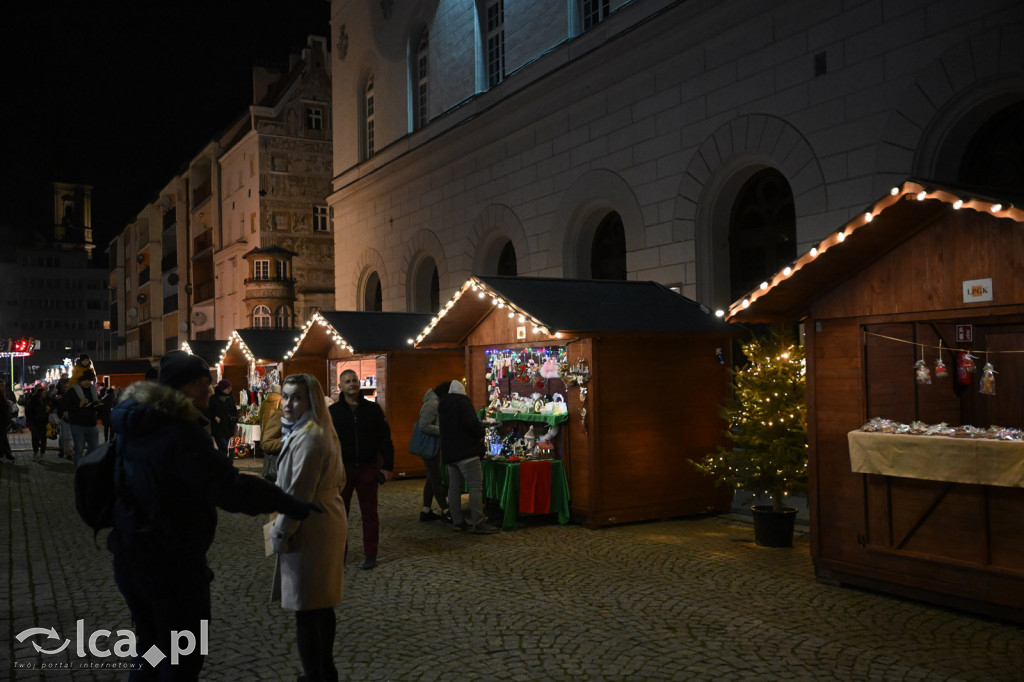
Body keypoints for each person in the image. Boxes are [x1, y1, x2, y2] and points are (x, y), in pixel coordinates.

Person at [107, 350, 320, 681]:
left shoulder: (138, 421)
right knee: (184, 655)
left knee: (151, 645)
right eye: (202, 383)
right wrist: (289, 502)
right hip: (171, 561)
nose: (209, 390)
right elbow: (227, 486)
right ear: (182, 388)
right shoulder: (178, 430)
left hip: (131, 552)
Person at [268, 374, 348, 682]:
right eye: (285, 396)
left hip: (312, 523)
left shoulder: (311, 436)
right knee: (319, 603)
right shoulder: (309, 430)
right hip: (320, 518)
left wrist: (280, 532)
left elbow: (299, 492)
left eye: (296, 397)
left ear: (311, 400)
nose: (288, 404)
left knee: (307, 607)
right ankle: (324, 671)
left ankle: (315, 674)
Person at [328, 369, 394, 570]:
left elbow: (385, 439)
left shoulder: (372, 410)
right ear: (340, 386)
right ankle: (340, 553)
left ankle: (371, 553)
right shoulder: (333, 412)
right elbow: (326, 442)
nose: (352, 384)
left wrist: (387, 467)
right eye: (347, 381)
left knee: (370, 513)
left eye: (354, 380)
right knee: (340, 514)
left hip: (367, 468)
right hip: (342, 470)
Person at [439, 380, 499, 534]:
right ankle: (479, 522)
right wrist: (481, 432)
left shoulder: (443, 405)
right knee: (474, 487)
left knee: (454, 487)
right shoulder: (463, 403)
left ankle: (458, 521)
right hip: (467, 452)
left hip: (450, 453)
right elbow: (471, 425)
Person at [415, 382, 451, 523]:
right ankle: (446, 509)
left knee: (431, 477)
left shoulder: (433, 402)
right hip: (430, 446)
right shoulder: (432, 404)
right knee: (436, 478)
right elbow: (423, 425)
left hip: (433, 445)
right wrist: (442, 431)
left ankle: (426, 510)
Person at [61, 369, 100, 464]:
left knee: (94, 448)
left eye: (89, 380)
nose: (87, 382)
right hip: (78, 424)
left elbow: (95, 405)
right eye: (84, 380)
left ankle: (85, 464)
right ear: (80, 380)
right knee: (79, 449)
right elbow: (64, 405)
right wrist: (78, 405)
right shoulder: (73, 391)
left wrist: (98, 405)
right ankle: (79, 468)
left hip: (92, 423)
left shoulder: (93, 390)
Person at [258, 384, 283, 481]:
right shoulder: (280, 401)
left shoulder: (265, 401)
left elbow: (261, 416)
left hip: (267, 427)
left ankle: (268, 467)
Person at [209, 379, 238, 457]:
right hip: (218, 427)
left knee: (224, 448)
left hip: (228, 427)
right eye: (228, 388)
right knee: (223, 447)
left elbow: (233, 411)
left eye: (230, 388)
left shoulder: (230, 398)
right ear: (222, 389)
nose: (230, 389)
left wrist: (235, 421)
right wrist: (215, 417)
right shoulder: (213, 399)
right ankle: (222, 464)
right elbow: (208, 411)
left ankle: (221, 463)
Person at [25, 385, 51, 460]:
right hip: (34, 422)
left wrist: (48, 410)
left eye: (45, 393)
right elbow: (28, 412)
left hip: (44, 422)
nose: (44, 394)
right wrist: (29, 421)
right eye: (43, 393)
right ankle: (35, 452)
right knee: (35, 438)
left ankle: (42, 453)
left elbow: (51, 408)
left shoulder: (47, 400)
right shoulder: (32, 400)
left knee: (43, 438)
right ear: (39, 393)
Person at [0, 378, 14, 461]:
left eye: (3, 385)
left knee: (3, 437)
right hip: (1, 419)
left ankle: (6, 453)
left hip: (3, 419)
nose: (3, 387)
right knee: (2, 438)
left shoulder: (3, 394)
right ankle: (5, 454)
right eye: (2, 385)